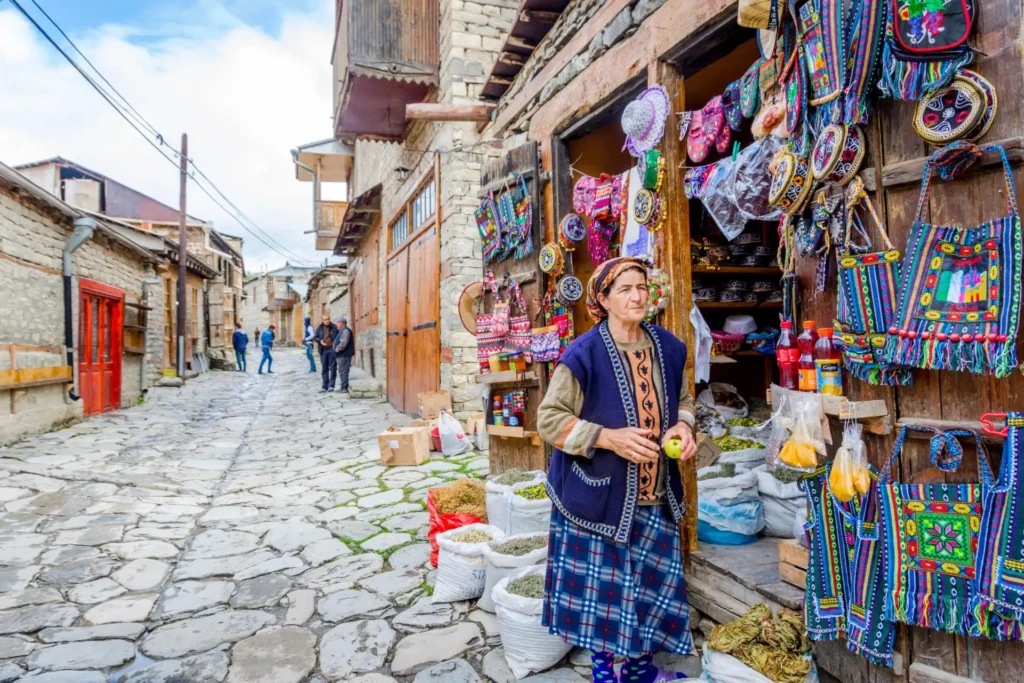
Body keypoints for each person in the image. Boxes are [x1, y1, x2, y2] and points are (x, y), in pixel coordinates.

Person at [537, 256, 698, 683]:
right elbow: (549, 419)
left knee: (647, 593)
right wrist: (607, 438)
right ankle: (606, 675)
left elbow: (685, 401)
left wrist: (683, 424)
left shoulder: (669, 347)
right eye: (625, 289)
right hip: (597, 498)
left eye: (642, 287)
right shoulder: (583, 354)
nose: (637, 296)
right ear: (603, 299)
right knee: (605, 598)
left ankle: (642, 672)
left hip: (655, 497)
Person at [312, 314, 339, 392]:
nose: (327, 321)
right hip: (323, 350)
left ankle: (331, 386)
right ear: (322, 320)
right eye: (325, 319)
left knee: (333, 368)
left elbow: (338, 337)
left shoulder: (334, 327)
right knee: (324, 368)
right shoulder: (319, 328)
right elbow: (315, 337)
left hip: (332, 350)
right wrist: (320, 341)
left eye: (328, 319)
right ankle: (324, 386)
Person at [334, 317, 355, 392]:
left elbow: (343, 343)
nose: (336, 324)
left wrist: (337, 349)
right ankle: (343, 386)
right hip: (342, 355)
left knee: (343, 371)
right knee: (342, 370)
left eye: (337, 322)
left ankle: (344, 388)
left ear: (341, 323)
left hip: (344, 354)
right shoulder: (342, 330)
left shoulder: (345, 331)